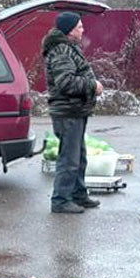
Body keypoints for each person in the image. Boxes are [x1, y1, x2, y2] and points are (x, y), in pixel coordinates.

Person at [43, 11, 103, 214]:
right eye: (79, 27)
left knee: (79, 156)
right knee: (69, 158)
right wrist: (92, 85)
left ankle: (78, 194)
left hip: (75, 110)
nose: (82, 30)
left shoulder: (69, 48)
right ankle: (60, 200)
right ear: (69, 30)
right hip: (67, 111)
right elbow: (65, 82)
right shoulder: (61, 51)